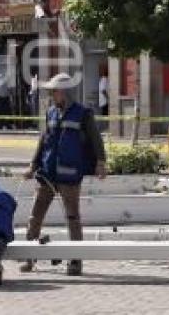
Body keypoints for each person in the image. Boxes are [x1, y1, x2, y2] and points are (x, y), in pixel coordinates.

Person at [21, 72, 107, 276]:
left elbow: (96, 140)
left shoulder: (83, 113)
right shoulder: (50, 112)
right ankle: (29, 258)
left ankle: (76, 262)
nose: (51, 95)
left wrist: (101, 163)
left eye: (53, 91)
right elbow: (43, 140)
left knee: (72, 218)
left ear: (64, 92)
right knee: (35, 216)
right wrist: (33, 166)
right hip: (47, 175)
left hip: (70, 176)